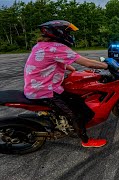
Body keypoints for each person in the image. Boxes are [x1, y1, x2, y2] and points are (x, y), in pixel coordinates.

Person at [24, 20, 109, 148]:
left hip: (36, 88)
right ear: (59, 33)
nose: (70, 35)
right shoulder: (57, 47)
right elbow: (87, 63)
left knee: (77, 101)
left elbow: (52, 60)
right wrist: (107, 65)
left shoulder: (41, 46)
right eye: (68, 32)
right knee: (78, 113)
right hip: (46, 91)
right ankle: (86, 141)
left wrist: (71, 69)